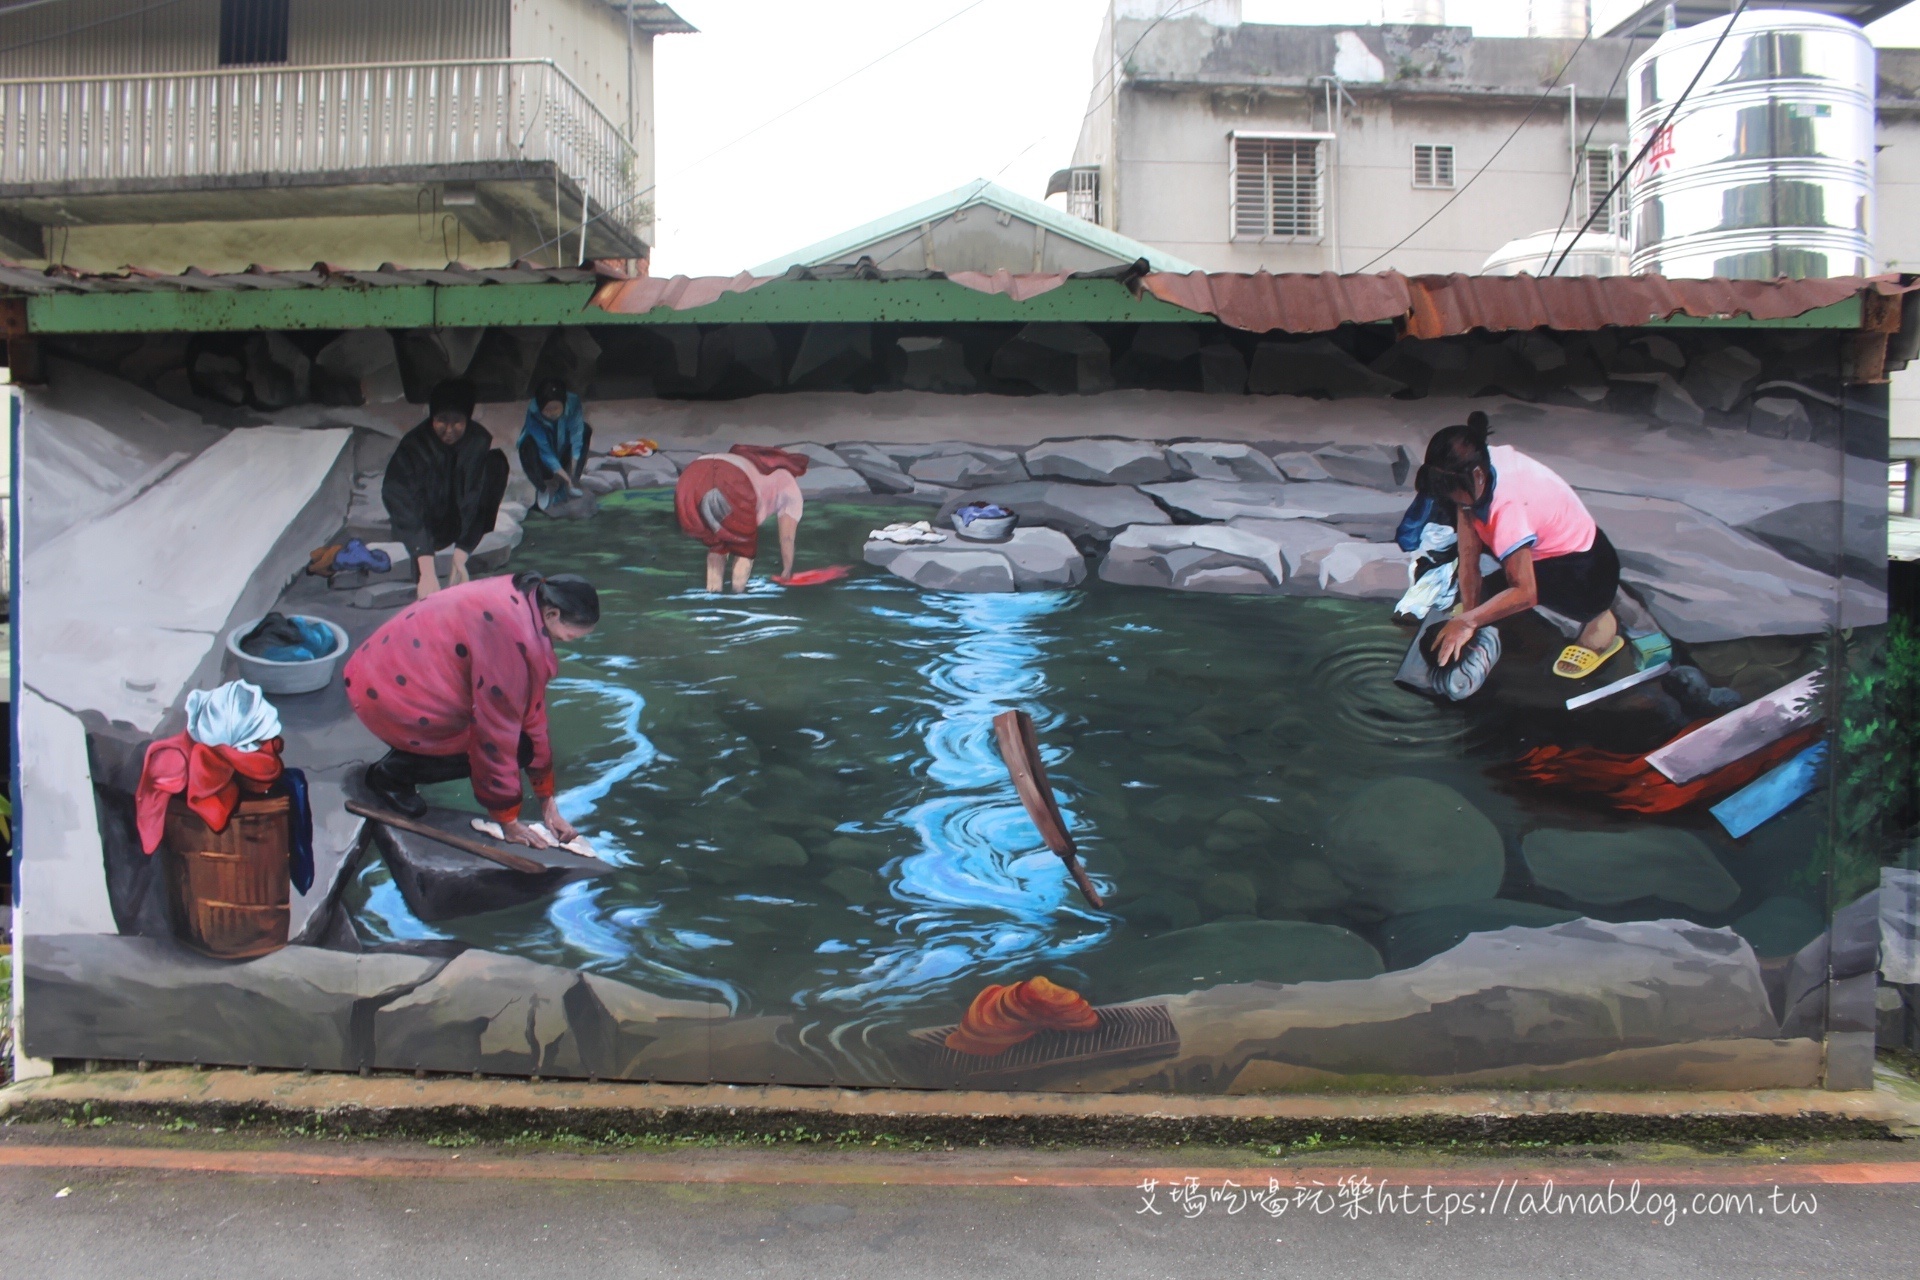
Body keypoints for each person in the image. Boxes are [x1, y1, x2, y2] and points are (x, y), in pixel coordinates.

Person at [346, 571, 599, 848]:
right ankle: (392, 775)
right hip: (391, 694)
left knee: (520, 742)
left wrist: (548, 804)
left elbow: (532, 715)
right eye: (571, 635)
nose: (569, 641)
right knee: (514, 747)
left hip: (387, 667)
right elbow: (496, 735)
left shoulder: (524, 597)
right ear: (551, 614)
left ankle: (407, 760)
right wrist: (508, 821)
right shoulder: (512, 641)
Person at [1419, 412, 1623, 680]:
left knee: (1533, 597)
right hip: (1541, 550)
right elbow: (1468, 557)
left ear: (1477, 476)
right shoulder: (1475, 469)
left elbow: (1526, 593)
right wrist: (1469, 614)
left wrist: (1468, 621)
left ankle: (1601, 626)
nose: (1457, 503)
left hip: (1585, 570)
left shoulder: (1509, 504)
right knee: (1484, 598)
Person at [383, 378, 508, 602]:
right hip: (425, 527)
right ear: (432, 417)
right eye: (442, 420)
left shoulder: (479, 442)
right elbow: (401, 500)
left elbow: (480, 502)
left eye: (457, 421)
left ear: (467, 419)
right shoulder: (413, 446)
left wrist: (461, 555)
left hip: (459, 525)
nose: (449, 429)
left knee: (497, 465)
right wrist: (426, 566)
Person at [673, 445, 808, 592]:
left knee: (718, 545)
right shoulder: (789, 485)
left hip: (691, 478)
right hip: (732, 479)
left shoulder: (749, 462)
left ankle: (712, 595)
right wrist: (787, 571)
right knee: (744, 549)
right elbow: (787, 538)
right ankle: (737, 596)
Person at [519, 378, 592, 513]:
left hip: (562, 445)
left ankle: (570, 485)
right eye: (547, 409)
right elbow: (545, 451)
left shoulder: (573, 402)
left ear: (564, 403)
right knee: (527, 444)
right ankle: (543, 488)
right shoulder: (534, 412)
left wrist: (571, 473)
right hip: (541, 456)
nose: (552, 413)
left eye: (556, 408)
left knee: (585, 430)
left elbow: (577, 437)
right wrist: (563, 475)